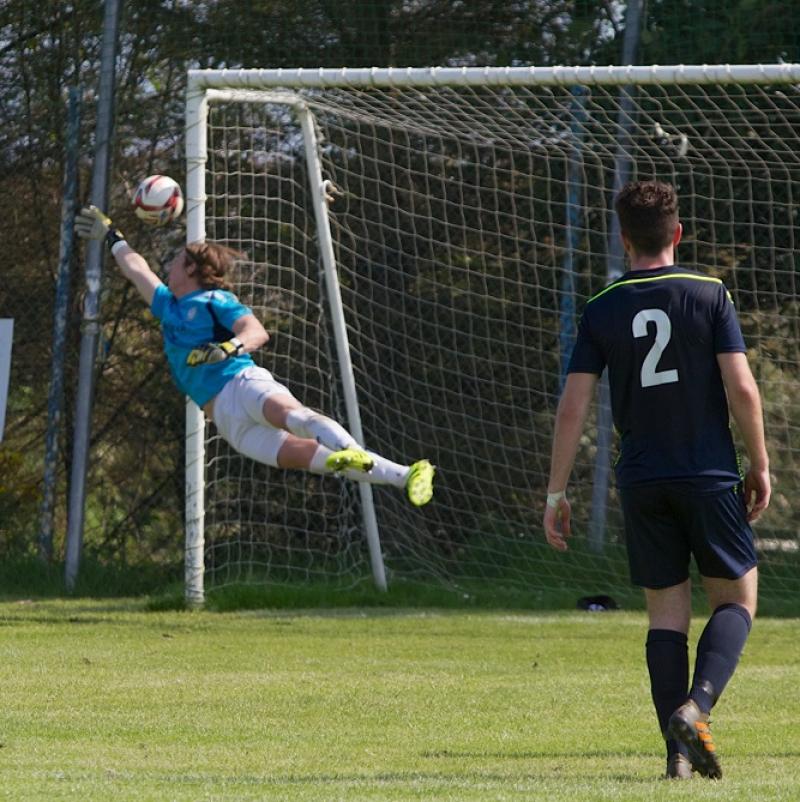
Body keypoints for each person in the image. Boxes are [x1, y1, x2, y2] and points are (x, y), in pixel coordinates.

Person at [542, 180, 770, 780]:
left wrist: (556, 492)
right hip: (708, 475)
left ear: (623, 240)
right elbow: (742, 387)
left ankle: (677, 759)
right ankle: (695, 709)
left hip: (641, 479)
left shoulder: (602, 306)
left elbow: (573, 406)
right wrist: (762, 464)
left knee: (666, 616)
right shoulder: (709, 293)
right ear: (677, 233)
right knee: (737, 596)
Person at [74, 205, 435, 506]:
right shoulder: (168, 305)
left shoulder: (216, 301)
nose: (168, 265)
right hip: (227, 421)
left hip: (242, 383)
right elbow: (137, 269)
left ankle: (355, 448)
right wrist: (111, 236)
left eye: (177, 259)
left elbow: (256, 331)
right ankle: (406, 476)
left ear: (192, 270)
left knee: (293, 416)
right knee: (320, 461)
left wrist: (226, 349)